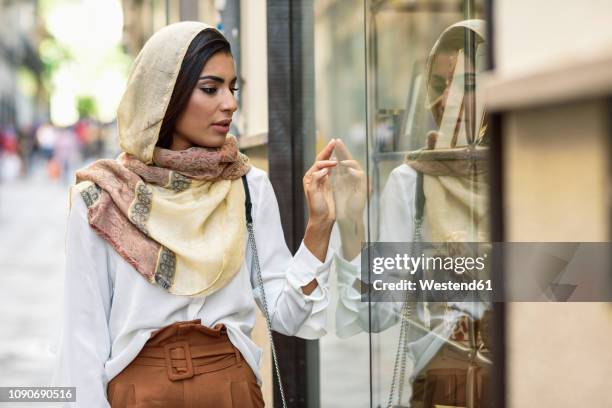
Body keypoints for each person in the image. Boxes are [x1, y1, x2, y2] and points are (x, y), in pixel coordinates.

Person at [51, 22, 337, 407]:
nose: (230, 103)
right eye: (210, 88)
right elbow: (80, 344)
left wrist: (320, 225)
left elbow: (287, 315)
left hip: (231, 393)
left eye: (233, 88)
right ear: (165, 95)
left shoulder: (248, 186)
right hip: (139, 396)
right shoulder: (102, 199)